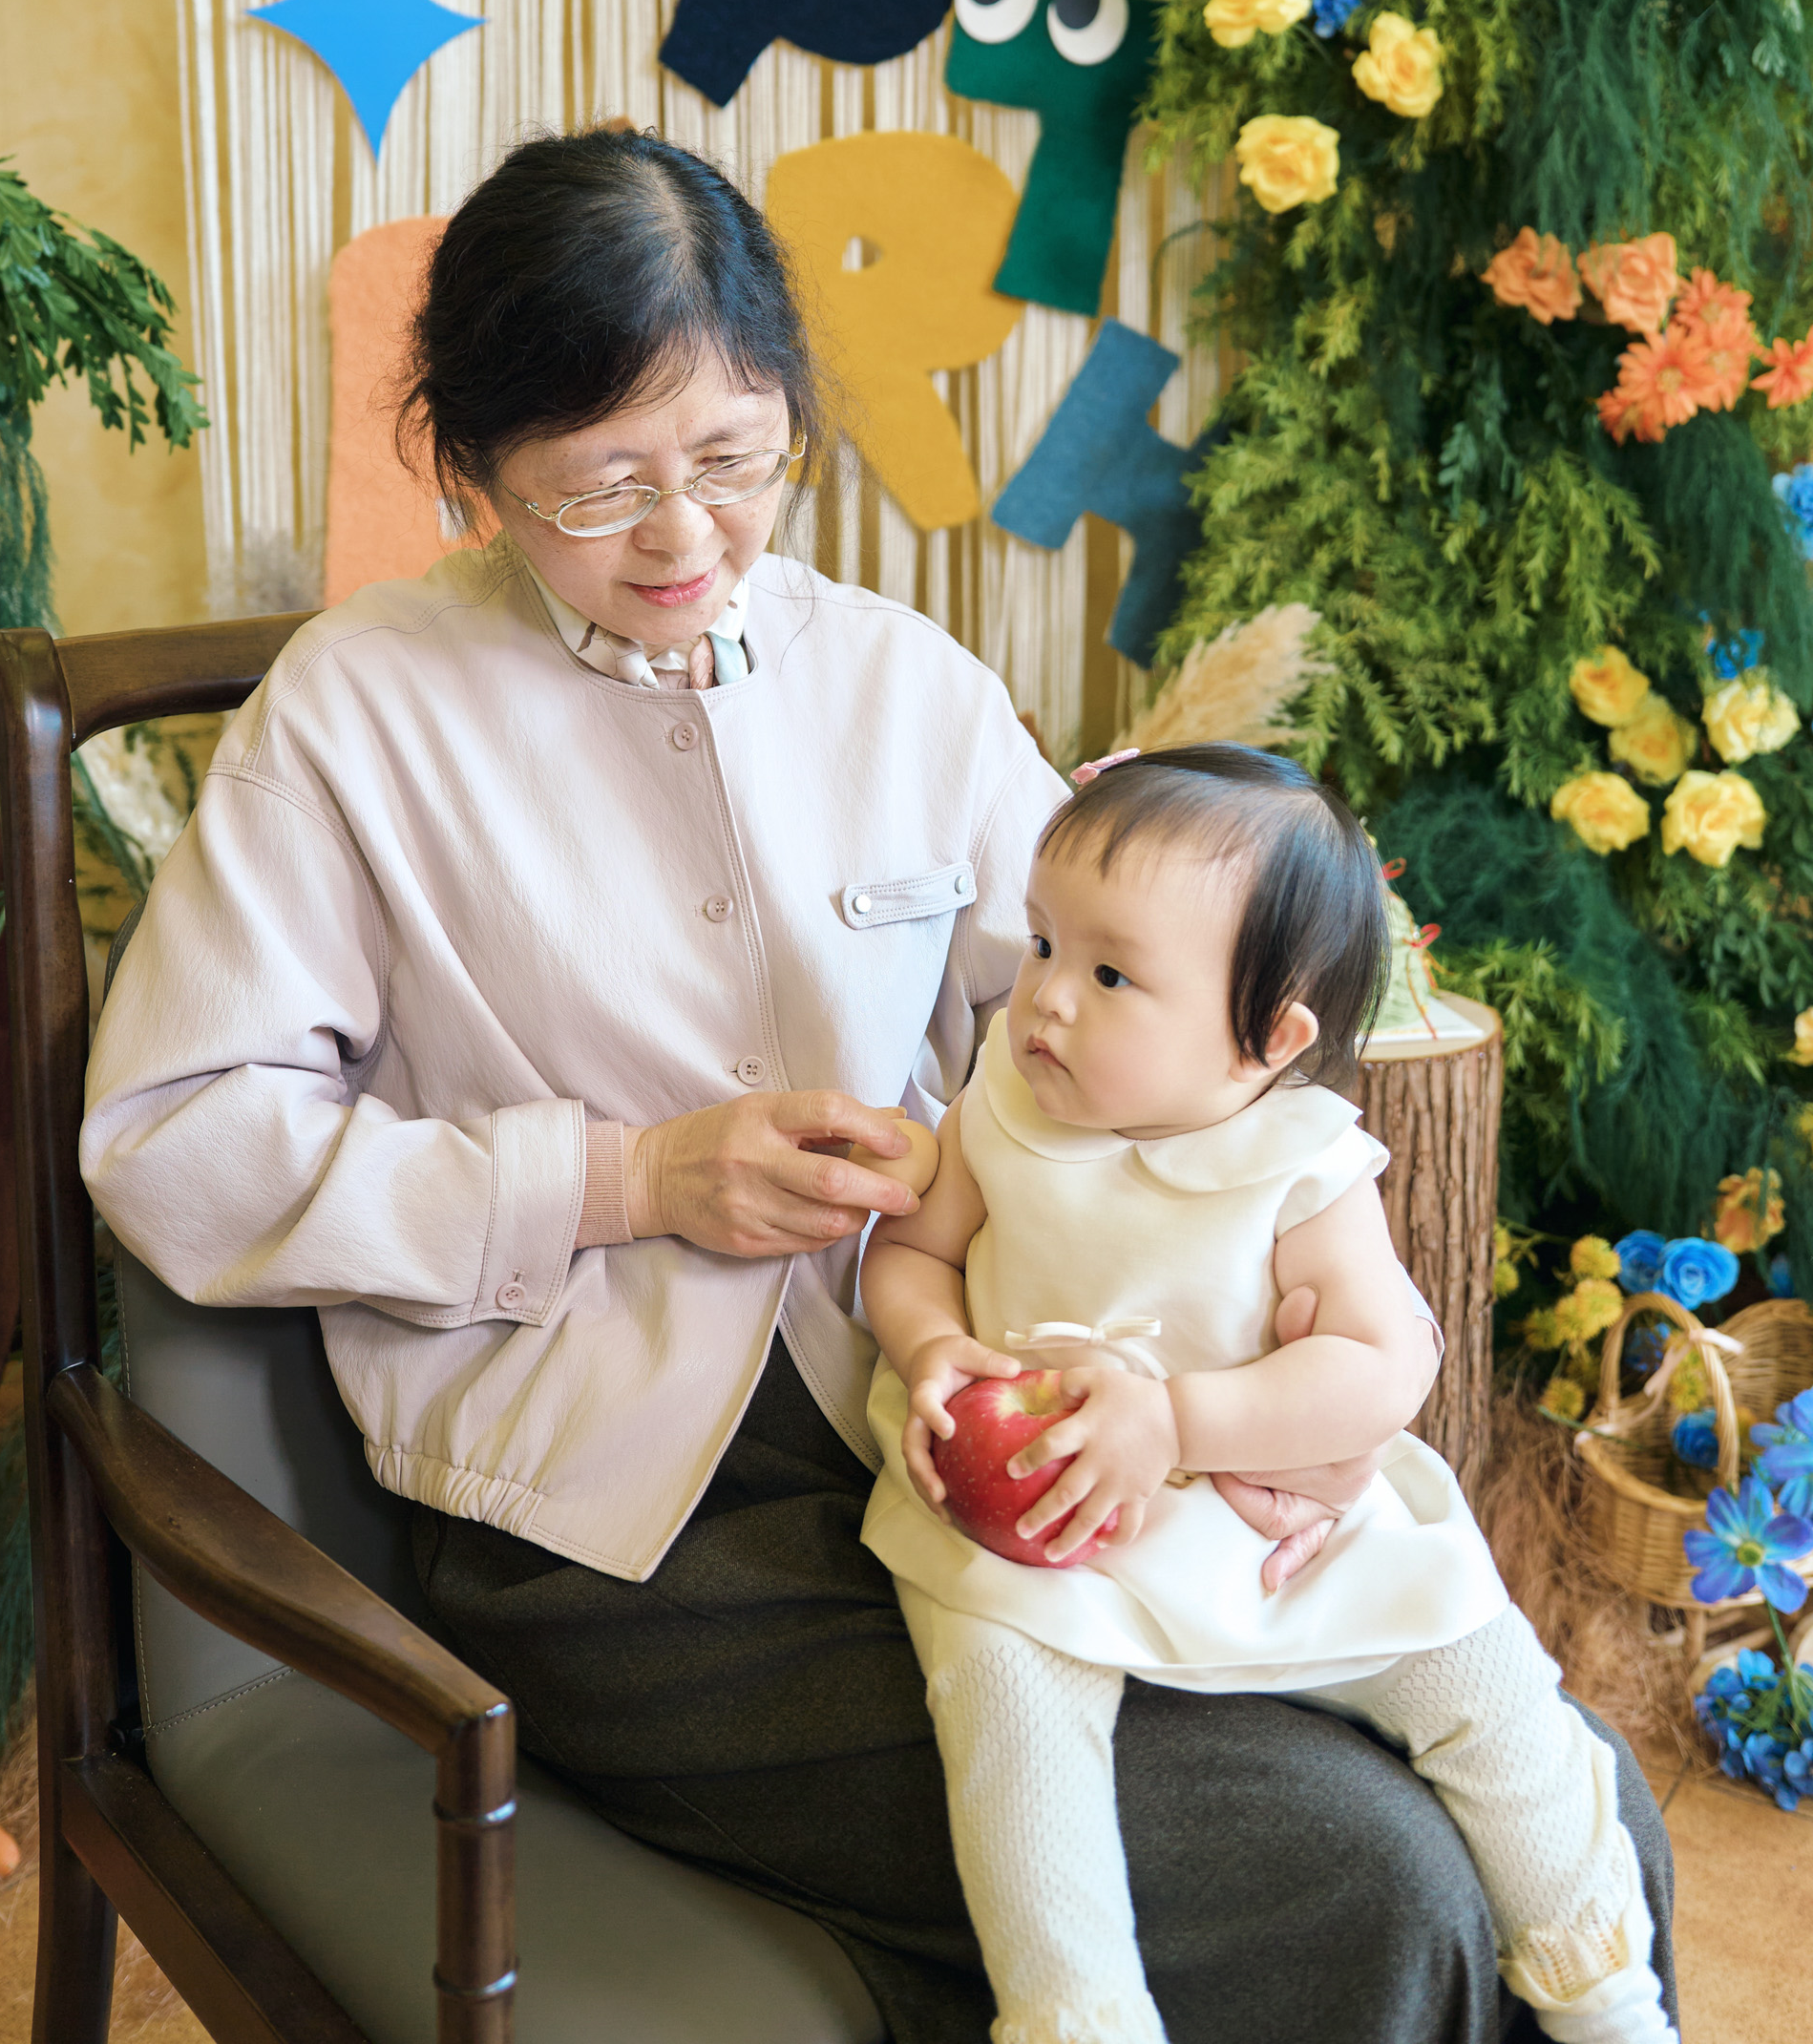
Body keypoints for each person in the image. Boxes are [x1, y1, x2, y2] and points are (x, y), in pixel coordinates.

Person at [82, 127, 1675, 2044]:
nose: (683, 539)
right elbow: (174, 1141)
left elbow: (1149, 1047)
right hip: (611, 1532)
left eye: (732, 460)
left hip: (974, 1419)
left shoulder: (903, 685)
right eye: (601, 486)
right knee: (1358, 1885)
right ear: (471, 468)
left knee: (1575, 1803)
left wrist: (1280, 1404)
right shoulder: (354, 717)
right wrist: (626, 1180)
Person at [861, 746, 1677, 2044]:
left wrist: (1179, 1420)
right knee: (1008, 1714)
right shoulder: (1008, 1105)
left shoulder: (1302, 1164)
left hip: (1266, 1506)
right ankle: (1078, 2014)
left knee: (1485, 1676)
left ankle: (1605, 1993)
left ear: (1268, 1042)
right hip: (1045, 1519)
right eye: (1044, 942)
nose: (1047, 997)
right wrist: (932, 1348)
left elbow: (1380, 1364)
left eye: (1112, 975)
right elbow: (911, 1254)